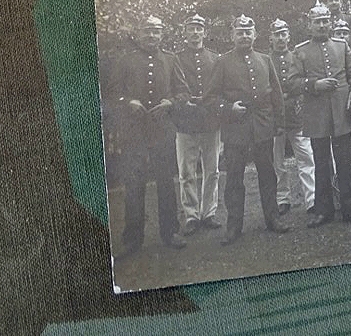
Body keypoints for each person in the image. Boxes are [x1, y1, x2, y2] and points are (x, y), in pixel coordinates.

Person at [106, 15, 187, 258]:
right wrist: (128, 101)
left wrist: (170, 102)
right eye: (147, 32)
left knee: (165, 183)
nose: (151, 36)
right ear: (139, 34)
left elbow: (184, 93)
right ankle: (132, 239)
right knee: (134, 185)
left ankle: (170, 232)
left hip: (162, 130)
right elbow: (111, 94)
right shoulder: (125, 61)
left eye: (155, 32)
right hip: (134, 133)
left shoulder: (171, 60)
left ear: (162, 34)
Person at [204, 15, 290, 246]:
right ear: (232, 36)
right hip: (235, 127)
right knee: (234, 178)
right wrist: (228, 108)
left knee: (268, 174)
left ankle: (273, 218)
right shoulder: (222, 62)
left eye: (248, 32)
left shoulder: (264, 59)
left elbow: (276, 94)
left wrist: (279, 123)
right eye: (240, 32)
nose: (244, 36)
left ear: (255, 35)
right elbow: (210, 98)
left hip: (262, 124)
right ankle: (234, 226)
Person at [289, 3, 351, 227]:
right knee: (321, 164)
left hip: (341, 113)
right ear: (309, 25)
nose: (322, 25)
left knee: (345, 162)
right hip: (317, 115)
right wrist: (315, 84)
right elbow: (293, 83)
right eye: (317, 22)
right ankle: (323, 211)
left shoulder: (342, 46)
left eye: (325, 21)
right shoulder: (301, 50)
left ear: (330, 23)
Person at [173, 13, 222, 235]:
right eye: (191, 28)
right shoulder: (177, 58)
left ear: (205, 32)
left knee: (212, 170)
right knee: (186, 172)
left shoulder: (215, 58)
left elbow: (220, 88)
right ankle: (191, 215)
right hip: (186, 122)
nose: (195, 32)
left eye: (198, 29)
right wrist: (183, 104)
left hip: (210, 121)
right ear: (185, 32)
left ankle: (209, 212)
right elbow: (173, 87)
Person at [269, 19, 316, 215]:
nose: (280, 38)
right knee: (277, 161)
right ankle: (282, 198)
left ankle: (312, 199)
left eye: (283, 34)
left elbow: (303, 82)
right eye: (276, 35)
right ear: (270, 38)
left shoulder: (298, 56)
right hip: (274, 116)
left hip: (297, 113)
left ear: (289, 36)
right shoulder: (266, 59)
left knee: (306, 157)